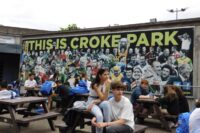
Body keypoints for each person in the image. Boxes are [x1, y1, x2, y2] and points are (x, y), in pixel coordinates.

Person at [86, 68, 111, 133]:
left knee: (106, 103)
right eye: (105, 74)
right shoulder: (95, 84)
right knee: (99, 116)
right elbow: (103, 98)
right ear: (100, 76)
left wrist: (96, 101)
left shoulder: (106, 84)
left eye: (108, 74)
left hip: (99, 101)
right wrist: (94, 101)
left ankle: (108, 128)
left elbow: (105, 98)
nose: (107, 76)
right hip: (91, 101)